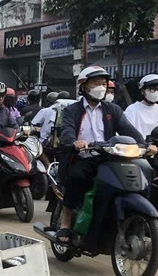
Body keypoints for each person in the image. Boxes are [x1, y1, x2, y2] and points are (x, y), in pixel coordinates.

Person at [56, 66, 146, 242]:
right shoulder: (72, 110)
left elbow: (128, 129)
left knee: (140, 173)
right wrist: (75, 142)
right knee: (77, 178)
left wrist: (144, 144)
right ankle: (65, 224)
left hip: (110, 157)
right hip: (84, 157)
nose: (101, 87)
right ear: (83, 86)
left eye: (103, 83)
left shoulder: (113, 110)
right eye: (96, 83)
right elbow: (67, 131)